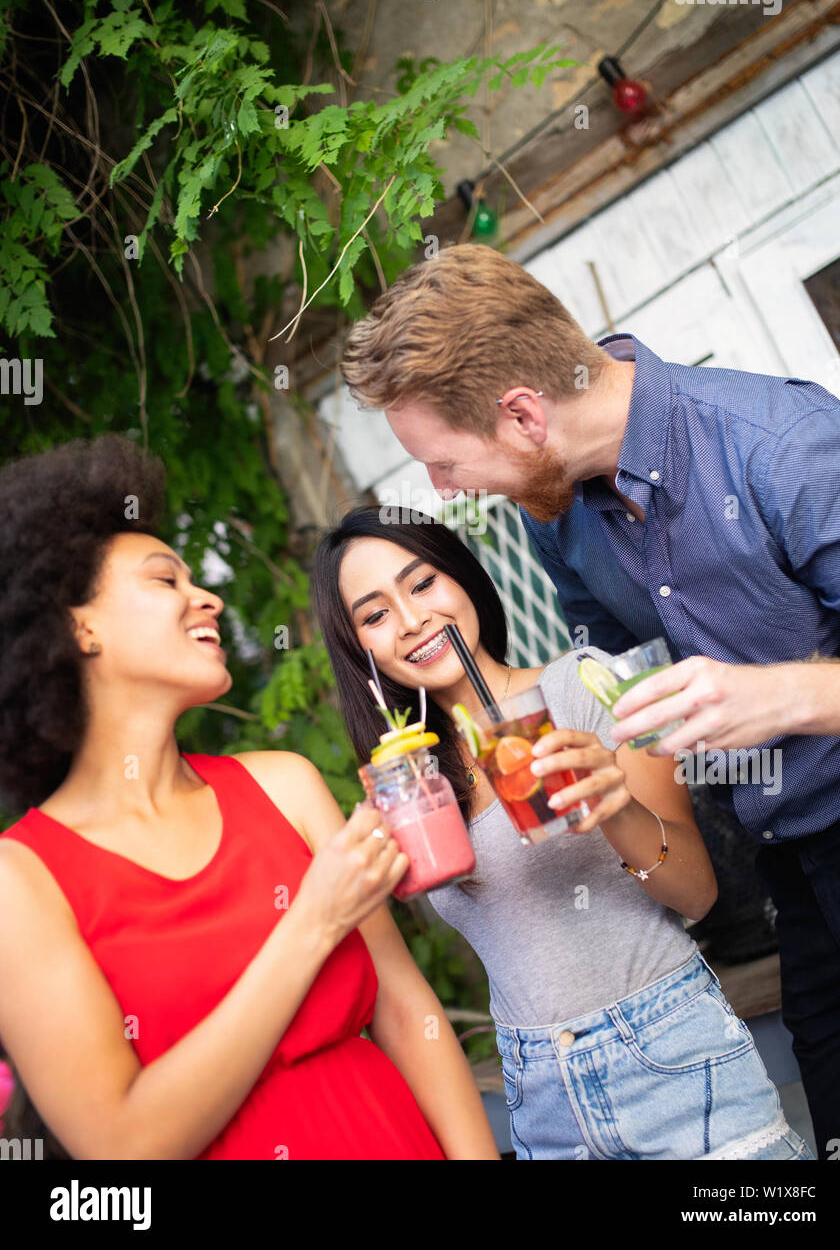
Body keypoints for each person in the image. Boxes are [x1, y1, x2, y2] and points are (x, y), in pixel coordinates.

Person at [338, 241, 840, 1159]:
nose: (442, 492)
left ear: (522, 413)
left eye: (443, 461)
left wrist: (785, 694)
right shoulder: (558, 521)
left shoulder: (777, 445)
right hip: (794, 867)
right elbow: (628, 711)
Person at [0, 435, 499, 1161]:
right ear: (80, 626)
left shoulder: (283, 784)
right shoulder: (21, 881)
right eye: (165, 580)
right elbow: (123, 1147)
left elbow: (406, 1011)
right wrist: (312, 921)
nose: (208, 597)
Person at [314, 505, 813, 1160]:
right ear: (359, 648)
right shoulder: (413, 780)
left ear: (463, 578)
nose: (411, 621)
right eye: (375, 614)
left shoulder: (586, 682)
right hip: (539, 1094)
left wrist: (616, 806)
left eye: (423, 583)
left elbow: (697, 894)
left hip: (670, 1054)